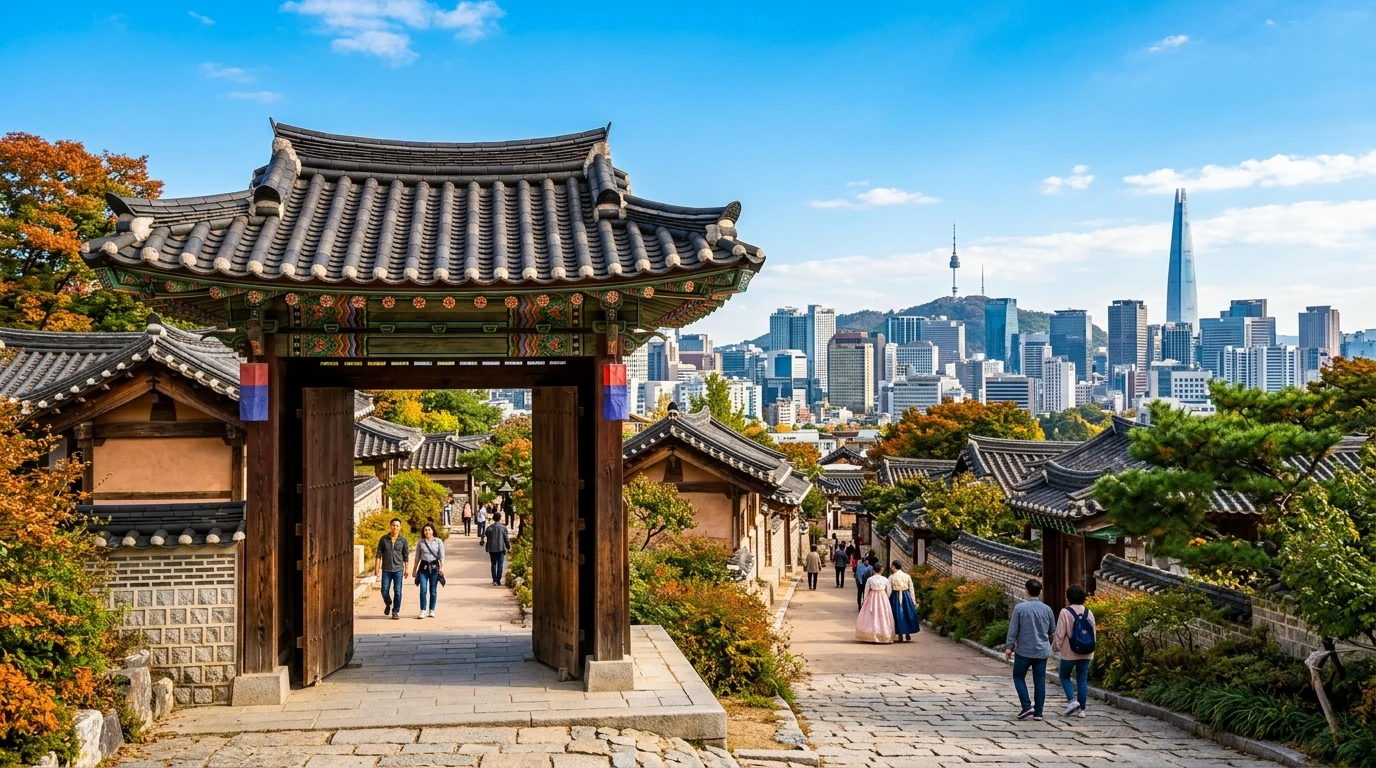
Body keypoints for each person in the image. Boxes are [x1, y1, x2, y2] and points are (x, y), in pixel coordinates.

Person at [1004, 578, 1056, 721]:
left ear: (1026, 590)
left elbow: (1013, 629)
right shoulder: (1047, 609)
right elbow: (1052, 630)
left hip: (1024, 650)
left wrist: (1009, 647)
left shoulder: (1020, 608)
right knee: (1040, 680)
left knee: (1018, 676)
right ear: (1040, 592)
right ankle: (1038, 712)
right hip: (1042, 650)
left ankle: (1026, 706)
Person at [1054, 584, 1096, 717]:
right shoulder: (1089, 612)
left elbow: (1060, 633)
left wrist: (1055, 648)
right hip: (1087, 651)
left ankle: (1072, 701)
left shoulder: (1065, 612)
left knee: (1064, 676)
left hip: (1069, 652)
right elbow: (1093, 633)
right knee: (1082, 679)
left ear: (1068, 598)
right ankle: (1082, 710)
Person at [375, 518, 410, 620]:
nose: (395, 527)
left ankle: (395, 611)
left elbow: (406, 556)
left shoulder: (403, 540)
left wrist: (406, 569)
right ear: (390, 526)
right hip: (386, 569)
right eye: (393, 525)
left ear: (400, 527)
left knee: (398, 591)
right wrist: (376, 569)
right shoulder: (383, 539)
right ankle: (388, 602)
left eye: (397, 526)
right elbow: (378, 555)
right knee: (384, 590)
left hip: (398, 569)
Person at [855, 558, 895, 643]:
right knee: (883, 615)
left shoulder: (870, 579)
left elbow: (866, 591)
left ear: (873, 570)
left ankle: (871, 634)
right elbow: (889, 591)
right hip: (883, 597)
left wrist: (864, 600)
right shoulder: (885, 579)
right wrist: (886, 597)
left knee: (872, 615)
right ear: (881, 570)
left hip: (872, 597)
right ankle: (884, 634)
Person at [414, 523, 445, 619]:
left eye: (429, 530)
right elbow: (417, 557)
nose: (427, 532)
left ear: (433, 530)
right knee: (423, 590)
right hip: (423, 568)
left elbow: (442, 556)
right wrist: (414, 569)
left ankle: (431, 610)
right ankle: (423, 610)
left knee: (433, 590)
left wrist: (442, 567)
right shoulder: (421, 542)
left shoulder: (438, 541)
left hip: (434, 568)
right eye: (425, 530)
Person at [888, 561, 919, 642]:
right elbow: (911, 589)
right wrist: (913, 600)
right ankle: (907, 632)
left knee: (897, 614)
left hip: (895, 596)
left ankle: (900, 634)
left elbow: (889, 590)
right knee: (907, 613)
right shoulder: (907, 576)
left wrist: (887, 599)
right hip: (906, 595)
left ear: (894, 567)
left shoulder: (891, 577)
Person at [484, 511, 511, 586]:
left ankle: (494, 579)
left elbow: (487, 537)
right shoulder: (503, 528)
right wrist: (508, 547)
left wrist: (487, 547)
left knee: (493, 564)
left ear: (493, 518)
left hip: (492, 548)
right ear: (500, 518)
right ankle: (498, 580)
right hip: (500, 548)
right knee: (500, 564)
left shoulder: (489, 528)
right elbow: (506, 538)